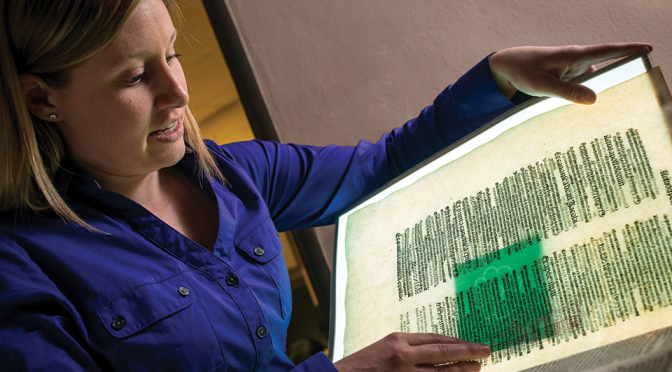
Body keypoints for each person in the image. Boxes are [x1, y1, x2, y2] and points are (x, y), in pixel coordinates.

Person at [0, 0, 651, 371]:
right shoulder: (21, 266)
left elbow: (375, 168)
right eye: (134, 76)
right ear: (41, 99)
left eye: (172, 53)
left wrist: (498, 78)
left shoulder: (234, 175)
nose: (178, 92)